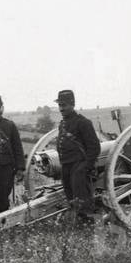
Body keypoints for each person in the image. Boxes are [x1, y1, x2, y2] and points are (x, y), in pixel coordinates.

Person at [54, 89, 101, 225]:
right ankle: (78, 222)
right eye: (60, 105)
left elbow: (94, 147)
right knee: (70, 195)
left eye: (64, 105)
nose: (61, 108)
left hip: (79, 165)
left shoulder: (83, 122)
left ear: (72, 105)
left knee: (82, 196)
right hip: (66, 165)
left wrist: (86, 167)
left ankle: (88, 223)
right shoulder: (63, 124)